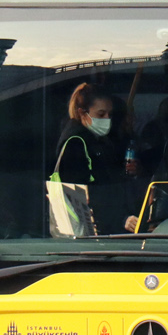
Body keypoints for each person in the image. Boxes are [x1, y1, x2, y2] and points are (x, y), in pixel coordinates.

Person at [55, 83, 131, 233]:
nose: (107, 119)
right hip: (92, 230)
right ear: (83, 113)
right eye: (101, 114)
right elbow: (90, 194)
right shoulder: (76, 142)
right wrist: (121, 218)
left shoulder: (97, 139)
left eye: (110, 114)